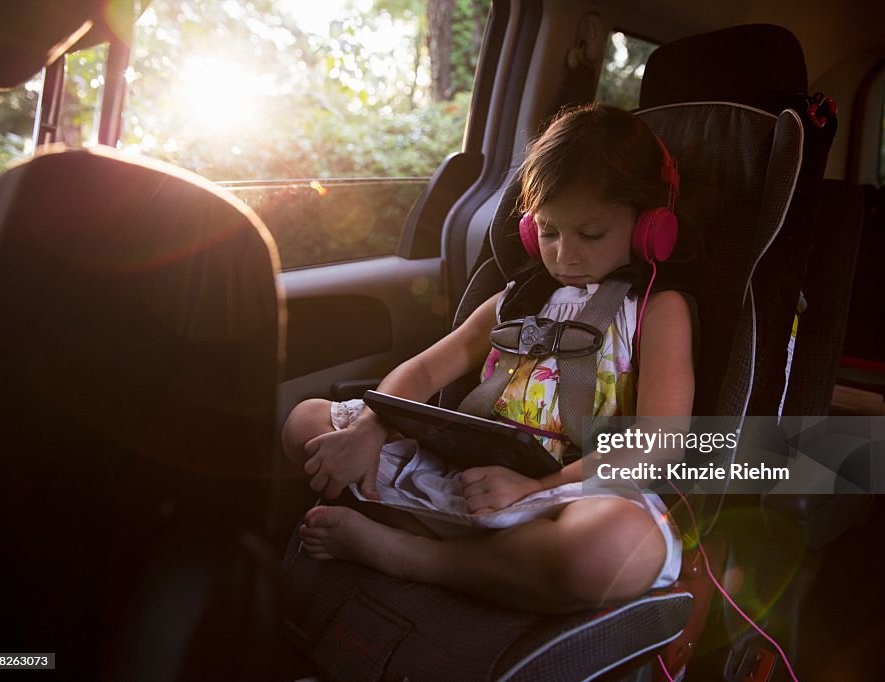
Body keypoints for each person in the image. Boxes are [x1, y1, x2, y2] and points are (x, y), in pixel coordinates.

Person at [282, 103, 696, 615]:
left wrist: (536, 487)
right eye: (548, 231)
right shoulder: (514, 299)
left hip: (567, 493)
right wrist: (368, 430)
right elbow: (428, 368)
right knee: (307, 423)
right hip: (467, 478)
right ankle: (492, 562)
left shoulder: (656, 311)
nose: (565, 255)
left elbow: (661, 439)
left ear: (647, 229)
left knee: (616, 546)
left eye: (590, 234)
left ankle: (418, 557)